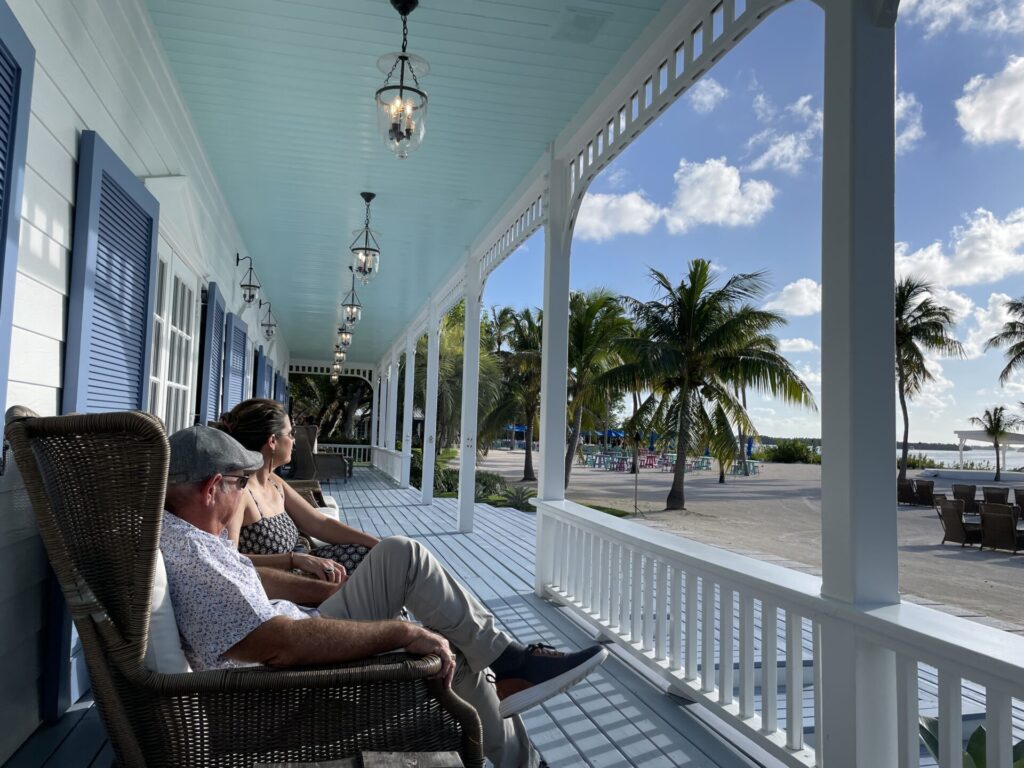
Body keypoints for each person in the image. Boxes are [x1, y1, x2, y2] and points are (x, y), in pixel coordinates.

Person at [160, 425, 608, 768]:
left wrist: (320, 585)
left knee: (402, 558)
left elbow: (252, 585)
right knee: (429, 612)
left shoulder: (193, 536)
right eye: (239, 482)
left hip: (300, 631)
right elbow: (281, 645)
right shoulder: (192, 558)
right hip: (289, 689)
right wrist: (400, 630)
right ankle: (514, 695)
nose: (243, 492)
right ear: (210, 487)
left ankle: (510, 674)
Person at [212, 398, 376, 586]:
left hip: (313, 568)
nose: (293, 440)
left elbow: (319, 524)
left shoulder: (274, 482)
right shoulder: (239, 493)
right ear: (272, 441)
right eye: (290, 434)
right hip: (292, 585)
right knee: (388, 570)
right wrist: (293, 559)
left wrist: (375, 544)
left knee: (385, 556)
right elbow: (229, 560)